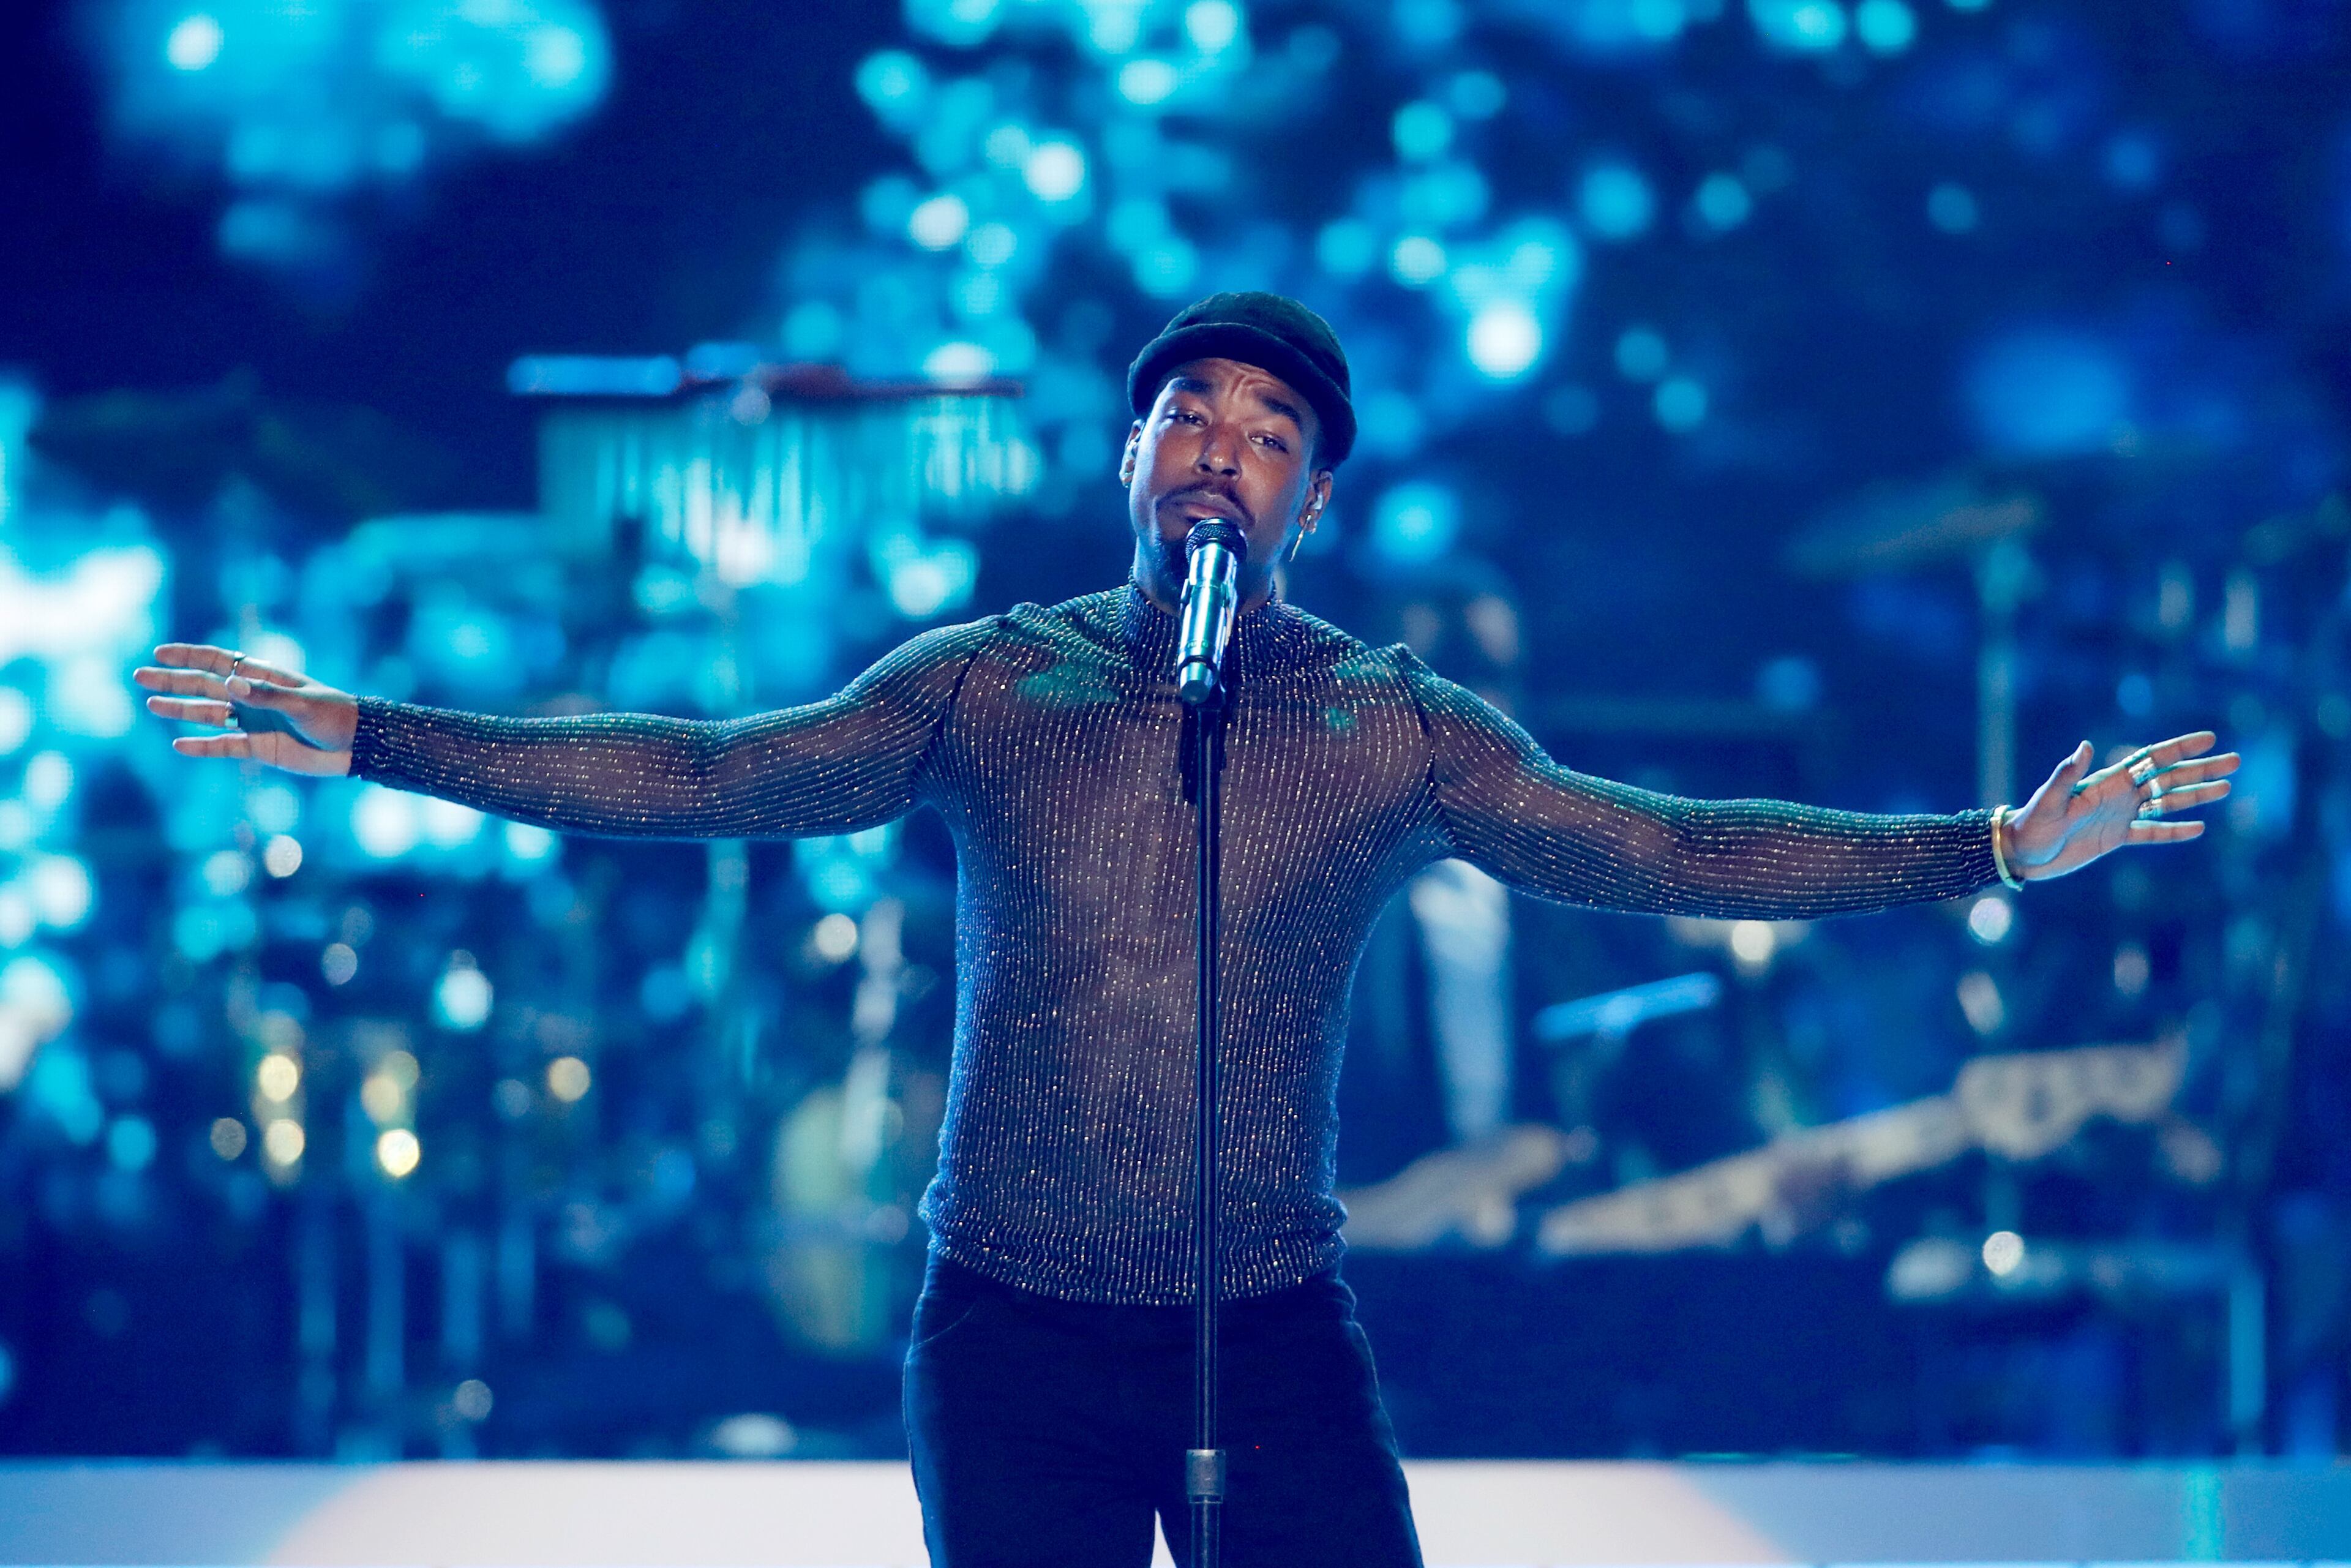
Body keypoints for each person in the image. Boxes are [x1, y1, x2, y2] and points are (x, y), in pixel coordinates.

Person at [137, 291, 2237, 1567]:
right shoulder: (990, 678)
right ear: (1130, 453)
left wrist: (1985, 846)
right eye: (1192, 415)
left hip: (1274, 1326)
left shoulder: (1387, 721)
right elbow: (705, 776)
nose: (1224, 447)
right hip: (1013, 1325)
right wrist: (366, 736)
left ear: (1310, 496)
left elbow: (1667, 842)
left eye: (1271, 431)